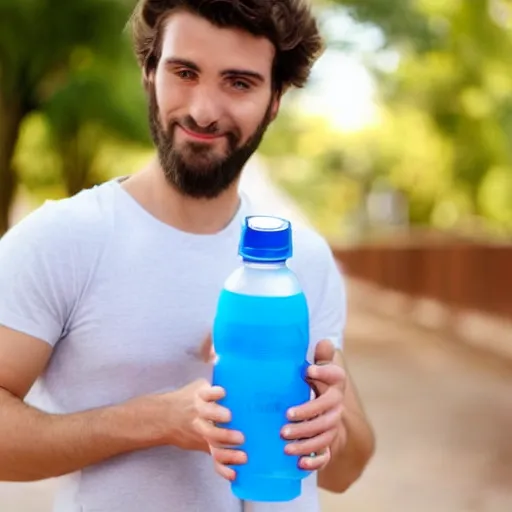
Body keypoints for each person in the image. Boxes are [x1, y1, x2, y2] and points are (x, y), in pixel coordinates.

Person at [0, 1, 375, 511]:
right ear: (149, 73)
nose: (202, 110)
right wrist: (149, 421)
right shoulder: (64, 239)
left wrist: (328, 429)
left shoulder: (301, 258)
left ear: (274, 100)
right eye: (184, 72)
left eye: (238, 83)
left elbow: (348, 470)